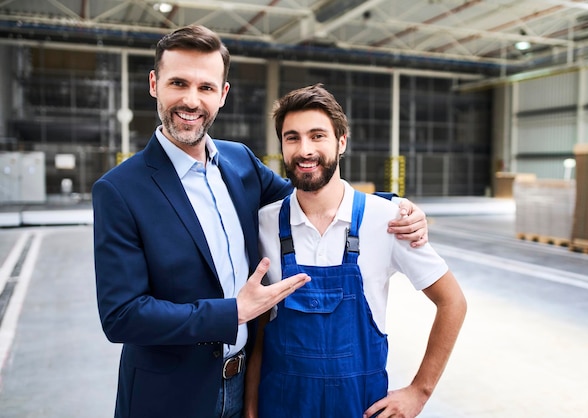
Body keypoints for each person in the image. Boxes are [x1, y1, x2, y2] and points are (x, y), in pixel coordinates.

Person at [92, 26, 430, 418]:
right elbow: (122, 317)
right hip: (171, 397)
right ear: (154, 84)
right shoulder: (120, 190)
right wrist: (232, 312)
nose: (190, 100)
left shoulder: (240, 163)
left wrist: (389, 207)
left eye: (205, 87)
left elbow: (309, 192)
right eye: (178, 83)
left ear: (222, 94)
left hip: (245, 388)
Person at [245, 84, 467, 418]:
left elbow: (452, 301)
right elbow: (261, 328)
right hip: (281, 404)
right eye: (293, 138)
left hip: (360, 406)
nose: (305, 149)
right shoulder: (264, 224)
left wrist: (419, 392)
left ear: (342, 141)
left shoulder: (388, 220)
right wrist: (250, 409)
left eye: (317, 135)